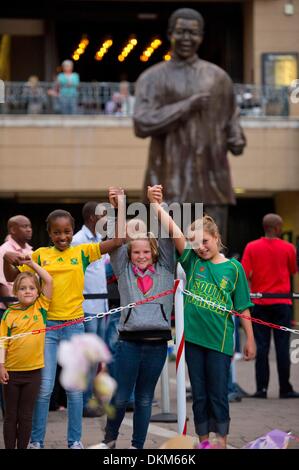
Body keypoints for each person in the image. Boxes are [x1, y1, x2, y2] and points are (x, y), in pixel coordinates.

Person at [3, 209, 123, 449]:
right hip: (45, 328)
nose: (62, 236)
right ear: (49, 233)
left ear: (73, 230)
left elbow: (119, 241)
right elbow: (11, 278)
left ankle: (74, 441)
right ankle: (36, 441)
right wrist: (8, 258)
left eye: (67, 231)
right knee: (45, 387)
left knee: (75, 389)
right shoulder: (40, 255)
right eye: (57, 232)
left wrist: (117, 205)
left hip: (74, 326)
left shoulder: (83, 252)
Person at [151, 185, 255, 448]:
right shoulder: (192, 262)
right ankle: (204, 442)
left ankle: (222, 440)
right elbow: (174, 231)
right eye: (195, 244)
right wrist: (156, 206)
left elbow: (242, 306)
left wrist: (250, 339)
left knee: (218, 394)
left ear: (216, 237)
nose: (200, 248)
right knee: (199, 396)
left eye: (204, 242)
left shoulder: (234, 268)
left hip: (220, 342)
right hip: (193, 341)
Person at [133, 8, 246, 242]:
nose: (186, 38)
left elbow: (231, 119)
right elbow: (142, 122)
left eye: (192, 33)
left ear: (201, 36)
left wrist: (236, 137)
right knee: (163, 255)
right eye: (181, 32)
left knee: (213, 254)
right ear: (170, 33)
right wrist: (186, 106)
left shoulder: (218, 77)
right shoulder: (153, 77)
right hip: (169, 182)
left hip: (212, 182)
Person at [98, 186, 175, 449]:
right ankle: (109, 438)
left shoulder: (165, 267)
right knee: (120, 398)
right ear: (129, 256)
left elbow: (166, 236)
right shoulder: (124, 269)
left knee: (144, 399)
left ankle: (137, 446)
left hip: (157, 345)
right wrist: (116, 207)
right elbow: (114, 239)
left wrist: (158, 205)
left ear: (153, 252)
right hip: (129, 344)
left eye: (145, 252)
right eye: (136, 252)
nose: (141, 256)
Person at [241, 213, 299, 399]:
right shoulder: (289, 247)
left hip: (260, 302)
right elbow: (292, 270)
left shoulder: (251, 247)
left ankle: (262, 389)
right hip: (282, 302)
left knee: (262, 346)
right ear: (277, 228)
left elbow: (244, 272)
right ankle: (285, 388)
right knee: (282, 347)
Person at [0, 257, 52, 449]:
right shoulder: (9, 314)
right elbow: (1, 343)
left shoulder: (41, 307)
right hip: (11, 373)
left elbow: (49, 280)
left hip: (33, 372)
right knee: (10, 416)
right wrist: (1, 366)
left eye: (31, 287)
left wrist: (31, 264)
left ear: (37, 291)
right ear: (15, 292)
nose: (27, 291)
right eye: (22, 288)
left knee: (26, 415)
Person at [71, 201, 109, 417]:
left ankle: (92, 399)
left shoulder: (98, 240)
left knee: (96, 358)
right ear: (93, 218)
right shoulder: (77, 241)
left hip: (101, 306)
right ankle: (84, 402)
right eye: (104, 215)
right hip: (86, 307)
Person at [0, 216, 33, 318]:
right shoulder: (3, 251)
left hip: (28, 310)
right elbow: (2, 284)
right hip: (8, 310)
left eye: (30, 226)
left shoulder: (31, 251)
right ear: (13, 229)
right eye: (25, 226)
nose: (29, 229)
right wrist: (13, 312)